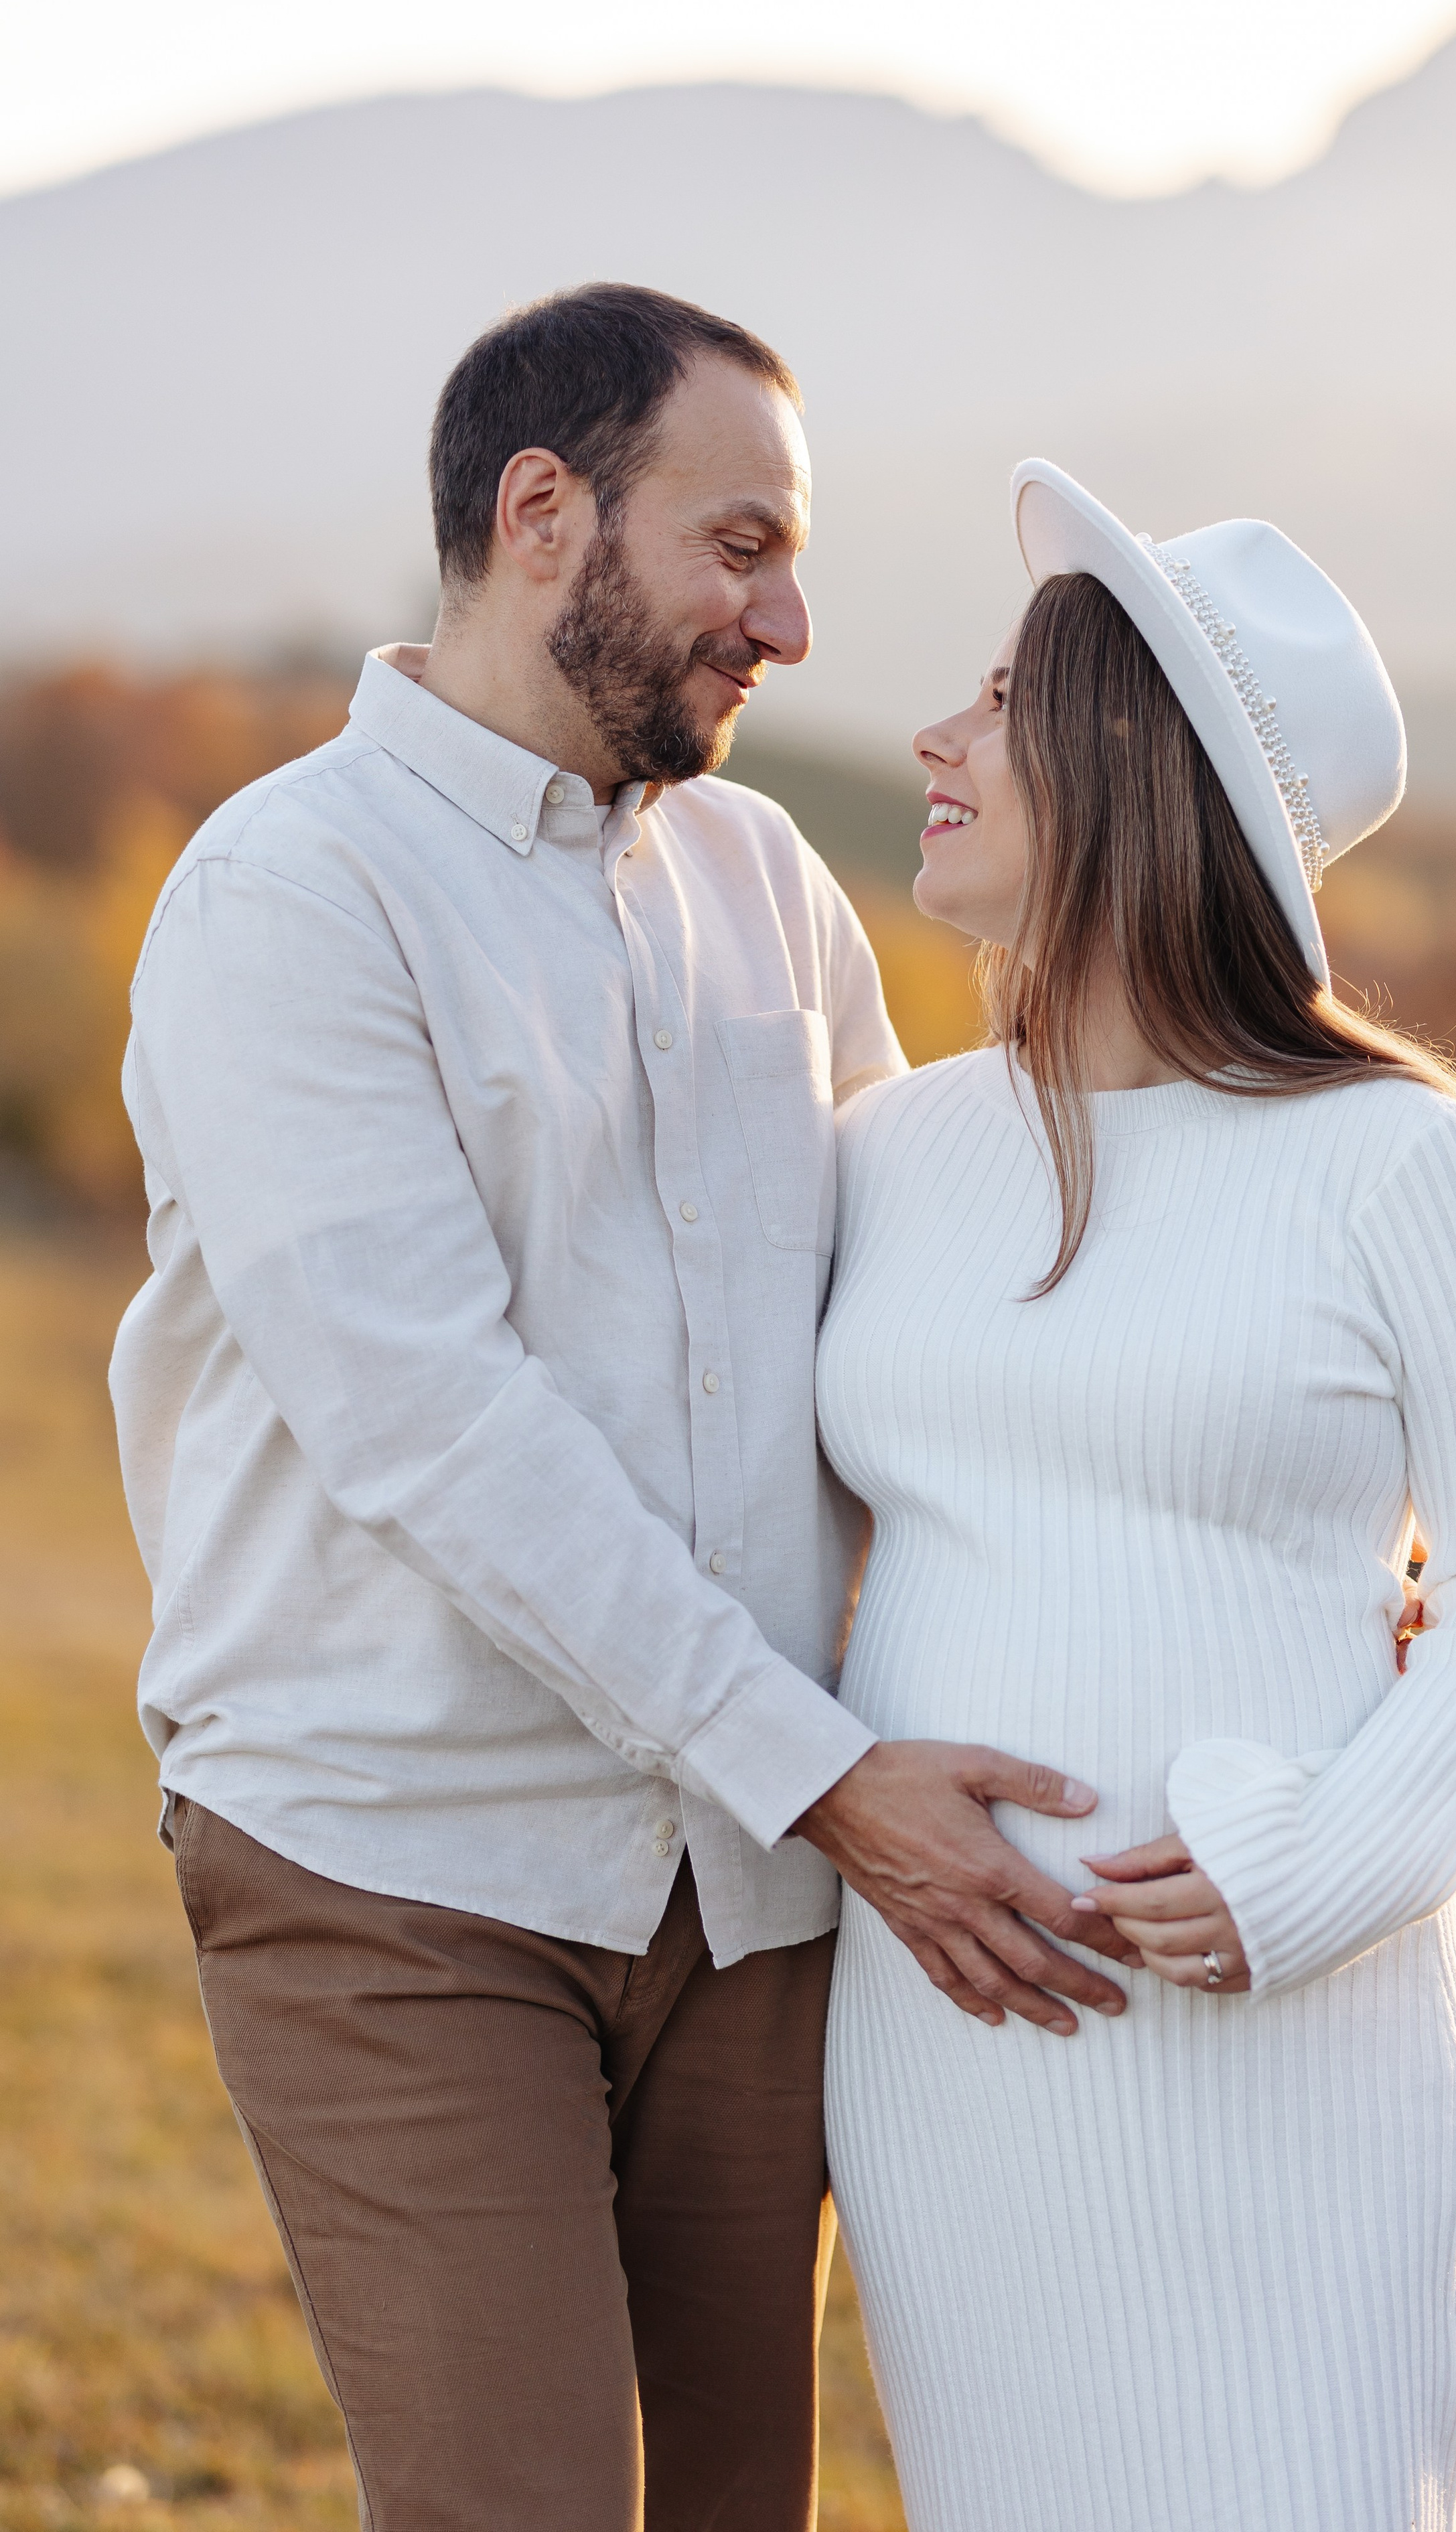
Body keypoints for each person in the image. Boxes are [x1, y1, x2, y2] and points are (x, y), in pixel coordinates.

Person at [109, 297, 1133, 2532]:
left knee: (737, 2508)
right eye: (739, 542)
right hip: (404, 1864)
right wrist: (834, 1770)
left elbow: (930, 1306)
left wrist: (1319, 1510)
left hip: (751, 1891)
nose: (788, 617)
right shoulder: (289, 895)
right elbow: (434, 1426)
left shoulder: (764, 884)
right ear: (540, 512)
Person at [817, 460, 1456, 2532]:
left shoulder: (1401, 1160)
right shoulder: (888, 1153)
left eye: (1001, 697)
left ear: (1131, 764)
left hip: (1289, 2034)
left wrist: (1322, 1860)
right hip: (949, 2040)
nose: (935, 734)